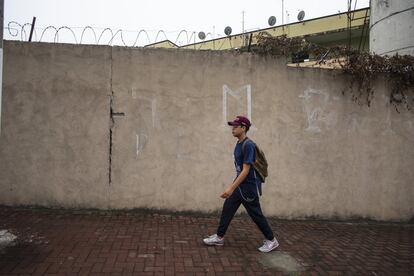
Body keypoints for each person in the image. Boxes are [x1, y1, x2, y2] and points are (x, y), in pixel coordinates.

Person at [203, 115, 279, 253]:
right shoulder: (239, 143)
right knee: (228, 209)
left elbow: (245, 170)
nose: (232, 129)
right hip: (239, 186)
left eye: (235, 126)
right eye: (232, 126)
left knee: (256, 215)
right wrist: (234, 186)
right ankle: (219, 237)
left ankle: (272, 240)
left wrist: (231, 188)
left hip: (248, 187)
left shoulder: (248, 145)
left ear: (243, 128)